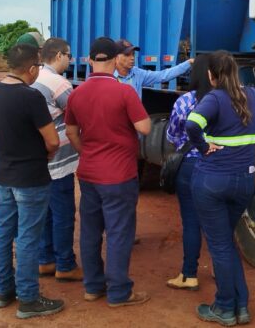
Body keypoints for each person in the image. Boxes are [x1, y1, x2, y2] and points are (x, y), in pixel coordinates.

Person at [185, 50, 255, 326]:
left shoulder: (214, 98)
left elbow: (192, 125)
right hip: (244, 182)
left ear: (211, 75)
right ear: (235, 72)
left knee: (220, 245)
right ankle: (241, 306)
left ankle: (225, 308)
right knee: (226, 242)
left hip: (212, 182)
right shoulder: (254, 96)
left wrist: (203, 147)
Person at [64, 37, 152, 308]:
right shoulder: (124, 92)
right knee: (119, 232)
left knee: (90, 231)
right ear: (115, 60)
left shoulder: (76, 93)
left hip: (89, 173)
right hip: (119, 174)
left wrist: (87, 152)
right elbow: (145, 128)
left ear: (90, 60)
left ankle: (92, 287)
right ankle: (119, 292)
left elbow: (71, 132)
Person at [0, 44, 65, 319]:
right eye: (38, 67)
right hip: (30, 177)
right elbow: (53, 141)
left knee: (4, 232)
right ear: (31, 68)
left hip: (3, 175)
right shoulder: (31, 97)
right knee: (29, 237)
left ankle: (3, 290)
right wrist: (46, 154)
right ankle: (28, 299)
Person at [30, 37, 83, 282]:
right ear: (59, 55)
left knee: (45, 213)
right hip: (59, 161)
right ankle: (65, 264)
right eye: (69, 55)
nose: (70, 60)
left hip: (39, 159)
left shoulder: (34, 79)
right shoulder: (58, 83)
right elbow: (77, 114)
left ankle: (45, 260)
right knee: (63, 213)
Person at [165, 54, 212, 291]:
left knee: (191, 222)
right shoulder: (228, 100)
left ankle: (189, 274)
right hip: (219, 167)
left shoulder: (184, 101)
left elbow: (172, 134)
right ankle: (220, 269)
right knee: (219, 222)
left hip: (191, 166)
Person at [114, 38, 193, 98]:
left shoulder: (137, 73)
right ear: (116, 57)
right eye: (127, 55)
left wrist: (188, 63)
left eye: (133, 54)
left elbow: (163, 75)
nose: (132, 58)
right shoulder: (109, 76)